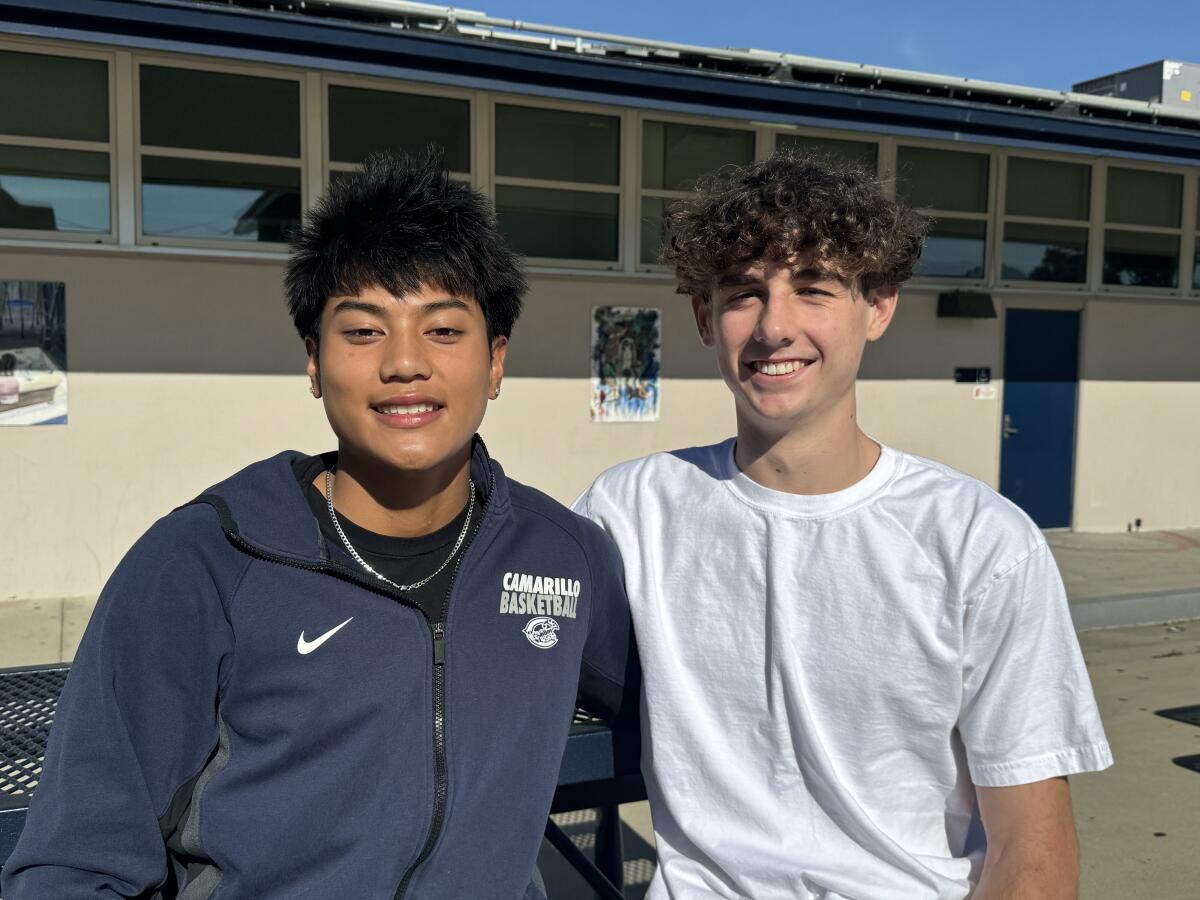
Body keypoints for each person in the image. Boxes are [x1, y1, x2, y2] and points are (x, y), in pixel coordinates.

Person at [3, 150, 631, 900]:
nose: (405, 364)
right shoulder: (203, 562)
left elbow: (700, 714)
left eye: (444, 331)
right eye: (364, 331)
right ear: (312, 360)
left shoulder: (562, 555)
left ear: (496, 362)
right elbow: (77, 864)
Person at [573, 151, 1112, 900]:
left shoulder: (980, 542)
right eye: (742, 294)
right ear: (704, 317)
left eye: (814, 288)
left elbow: (1033, 851)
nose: (774, 327)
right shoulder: (629, 512)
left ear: (879, 305)